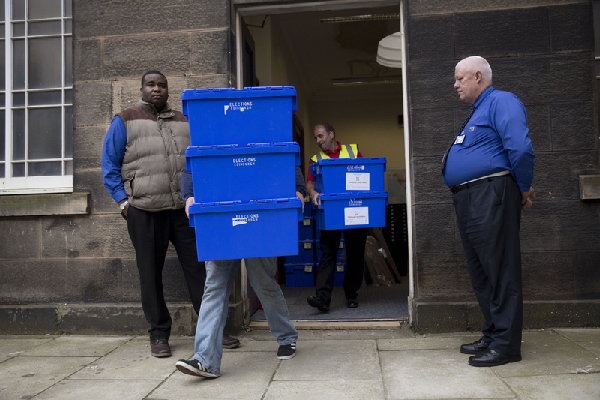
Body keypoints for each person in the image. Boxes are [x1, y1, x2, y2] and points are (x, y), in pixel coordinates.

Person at [101, 71, 239, 358]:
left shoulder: (184, 121)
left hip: (184, 211)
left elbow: (201, 158)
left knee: (200, 270)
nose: (157, 89)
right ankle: (159, 334)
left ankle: (212, 329)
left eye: (162, 85)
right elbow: (109, 165)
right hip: (145, 210)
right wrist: (123, 202)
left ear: (168, 90)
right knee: (150, 274)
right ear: (141, 88)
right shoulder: (124, 119)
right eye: (151, 85)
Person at [443, 56, 535, 367]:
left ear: (478, 77)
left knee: (500, 269)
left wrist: (523, 187)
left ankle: (507, 345)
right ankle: (494, 334)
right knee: (482, 271)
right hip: (470, 197)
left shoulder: (502, 101)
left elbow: (520, 148)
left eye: (459, 78)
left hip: (492, 193)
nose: (455, 85)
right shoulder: (477, 111)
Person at [175, 167, 305, 378]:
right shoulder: (210, 135)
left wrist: (298, 189)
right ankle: (205, 360)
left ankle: (286, 337)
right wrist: (188, 196)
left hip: (259, 216)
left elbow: (286, 159)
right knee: (214, 287)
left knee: (262, 282)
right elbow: (193, 166)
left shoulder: (263, 133)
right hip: (221, 220)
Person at [305, 123, 368, 312]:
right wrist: (313, 193)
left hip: (353, 208)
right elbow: (309, 183)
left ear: (331, 134)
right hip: (330, 211)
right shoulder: (316, 158)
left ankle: (351, 295)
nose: (318, 141)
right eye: (316, 138)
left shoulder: (352, 151)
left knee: (355, 253)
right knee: (328, 254)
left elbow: (364, 174)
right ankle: (322, 299)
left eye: (321, 136)